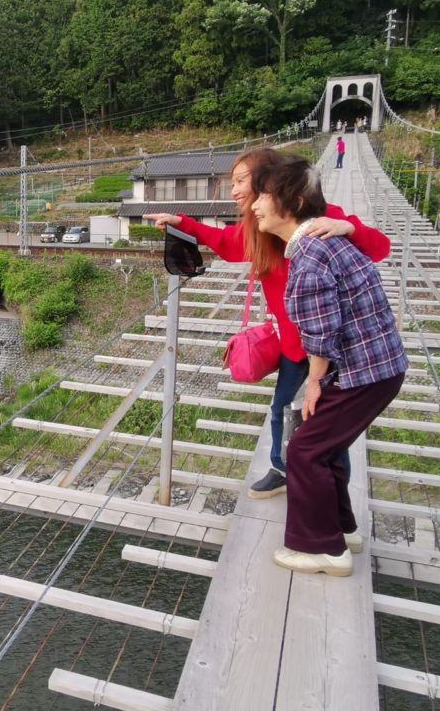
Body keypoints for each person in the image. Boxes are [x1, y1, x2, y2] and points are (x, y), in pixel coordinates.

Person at [145, 148, 391, 499]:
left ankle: (336, 500)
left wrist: (348, 227)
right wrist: (182, 223)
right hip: (294, 343)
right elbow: (227, 243)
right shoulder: (260, 229)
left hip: (332, 343)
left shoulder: (322, 217)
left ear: (269, 185)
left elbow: (380, 248)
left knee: (323, 426)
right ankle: (280, 467)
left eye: (241, 181)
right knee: (281, 408)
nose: (234, 191)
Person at [252, 156, 406, 576]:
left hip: (364, 372)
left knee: (304, 451)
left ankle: (323, 549)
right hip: (378, 368)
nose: (254, 206)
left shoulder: (309, 256)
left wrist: (315, 383)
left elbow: (320, 331)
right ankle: (343, 530)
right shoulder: (325, 242)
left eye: (264, 196)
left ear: (295, 202)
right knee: (322, 444)